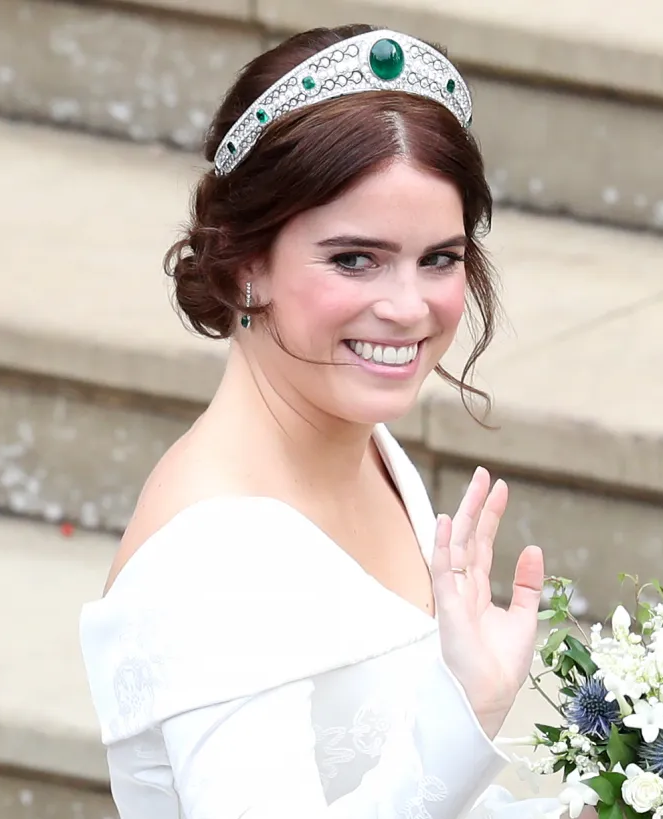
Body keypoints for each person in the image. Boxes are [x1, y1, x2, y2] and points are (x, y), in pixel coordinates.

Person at [80, 23, 565, 819]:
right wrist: (467, 714)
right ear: (245, 262)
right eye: (354, 259)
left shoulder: (365, 445)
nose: (409, 308)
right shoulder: (213, 557)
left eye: (438, 258)